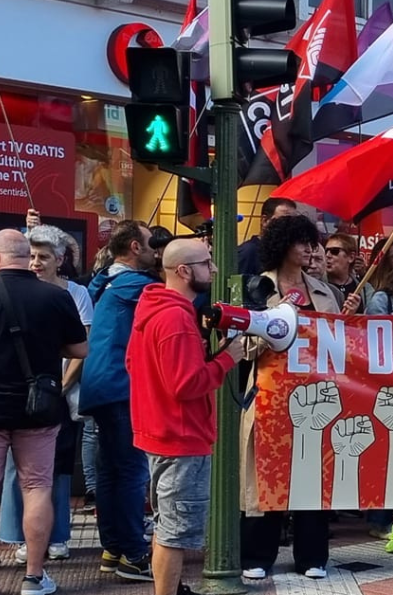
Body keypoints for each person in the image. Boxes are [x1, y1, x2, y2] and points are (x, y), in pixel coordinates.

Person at [0, 230, 88, 595]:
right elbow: (80, 349)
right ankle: (33, 576)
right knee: (37, 488)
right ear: (26, 256)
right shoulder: (56, 296)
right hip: (38, 410)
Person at [240, 215, 353, 580]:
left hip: (317, 395)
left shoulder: (326, 293)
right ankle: (258, 554)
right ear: (282, 245)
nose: (310, 249)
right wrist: (273, 327)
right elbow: (242, 347)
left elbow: (344, 348)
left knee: (313, 475)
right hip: (269, 395)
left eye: (312, 242)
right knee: (265, 477)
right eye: (301, 242)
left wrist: (349, 324)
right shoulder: (256, 288)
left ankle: (312, 556)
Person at [128, 240, 237, 595]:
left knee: (167, 525)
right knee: (174, 533)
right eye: (208, 263)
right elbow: (188, 383)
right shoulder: (176, 317)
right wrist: (228, 357)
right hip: (180, 436)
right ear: (184, 271)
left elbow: (133, 363)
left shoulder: (153, 308)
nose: (214, 269)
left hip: (159, 431)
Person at [0, 227, 91, 565]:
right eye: (32, 256)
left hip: (58, 395)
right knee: (16, 467)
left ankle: (57, 535)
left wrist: (61, 387)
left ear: (59, 260)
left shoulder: (76, 294)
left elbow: (83, 347)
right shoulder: (19, 290)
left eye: (44, 256)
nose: (36, 262)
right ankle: (18, 536)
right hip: (20, 391)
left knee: (59, 467)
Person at [84, 219, 160, 581]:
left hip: (98, 385)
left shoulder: (104, 281)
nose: (154, 248)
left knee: (109, 471)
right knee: (131, 471)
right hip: (121, 384)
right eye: (150, 243)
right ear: (134, 247)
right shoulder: (136, 285)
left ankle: (113, 547)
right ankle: (133, 553)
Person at [236, 197, 298, 274]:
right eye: (283, 220)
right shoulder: (249, 252)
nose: (290, 225)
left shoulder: (287, 252)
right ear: (265, 220)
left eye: (294, 221)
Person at [324, 234, 373, 312]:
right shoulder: (318, 286)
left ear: (351, 257)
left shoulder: (365, 289)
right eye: (326, 251)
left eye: (334, 251)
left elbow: (372, 318)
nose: (328, 255)